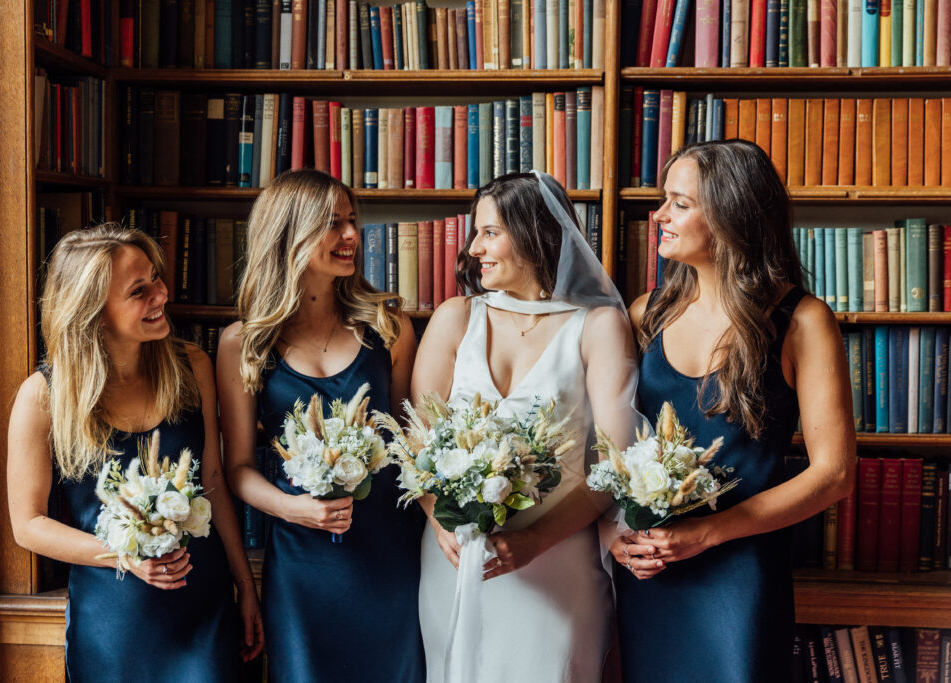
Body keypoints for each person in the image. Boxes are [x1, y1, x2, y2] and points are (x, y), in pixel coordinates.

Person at [609, 139, 856, 683]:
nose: (659, 216)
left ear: (729, 213)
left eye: (679, 202)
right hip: (650, 569)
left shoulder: (802, 320)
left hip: (741, 570)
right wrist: (616, 534)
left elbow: (834, 474)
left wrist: (712, 531)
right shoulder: (645, 313)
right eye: (663, 200)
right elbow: (608, 444)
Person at [413, 171, 646, 682]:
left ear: (536, 232)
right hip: (455, 557)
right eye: (476, 234)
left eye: (490, 233)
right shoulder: (455, 319)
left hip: (557, 560)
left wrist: (535, 540)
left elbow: (614, 464)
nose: (474, 248)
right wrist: (441, 523)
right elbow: (416, 442)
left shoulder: (598, 327)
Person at [7, 225, 263, 682]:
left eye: (157, 279)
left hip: (203, 607)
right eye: (139, 290)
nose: (161, 295)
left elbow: (215, 482)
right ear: (94, 311)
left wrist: (245, 587)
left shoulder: (192, 367)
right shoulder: (43, 397)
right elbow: (28, 525)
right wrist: (121, 555)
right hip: (114, 621)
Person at [216, 169, 424, 683]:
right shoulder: (242, 344)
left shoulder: (389, 328)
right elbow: (237, 467)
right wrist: (295, 509)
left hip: (390, 556)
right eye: (333, 223)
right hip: (304, 565)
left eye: (352, 221)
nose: (352, 235)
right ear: (289, 231)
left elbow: (410, 446)